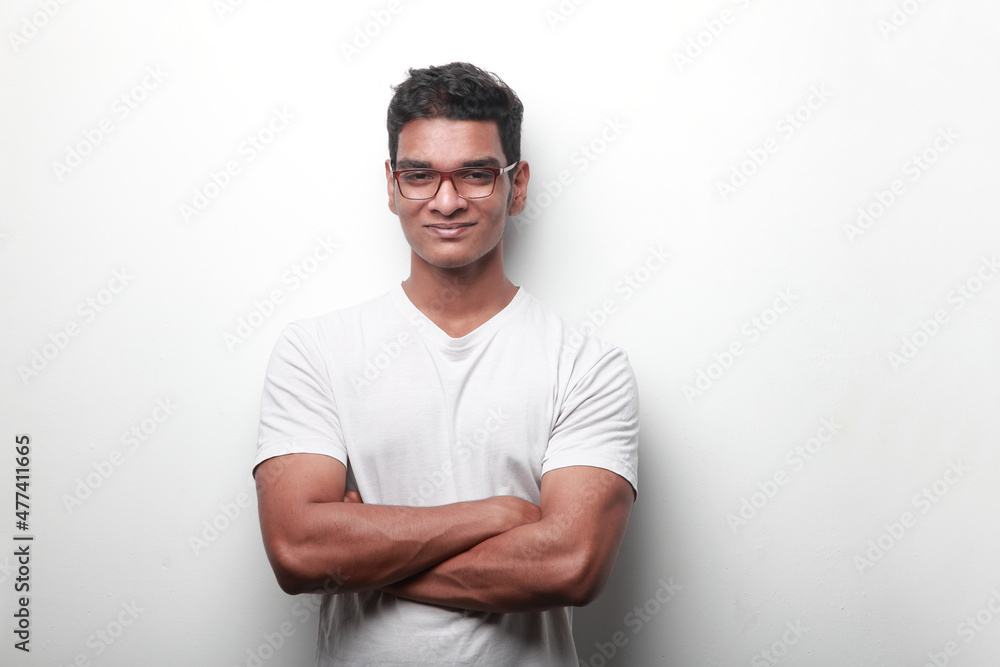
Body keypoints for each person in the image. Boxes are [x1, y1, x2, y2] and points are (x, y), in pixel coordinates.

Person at [252, 61, 639, 666]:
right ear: (391, 185)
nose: (447, 201)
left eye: (476, 175)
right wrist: (496, 515)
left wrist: (362, 552)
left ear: (518, 186)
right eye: (419, 176)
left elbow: (571, 565)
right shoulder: (315, 351)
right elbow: (298, 553)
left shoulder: (588, 367)